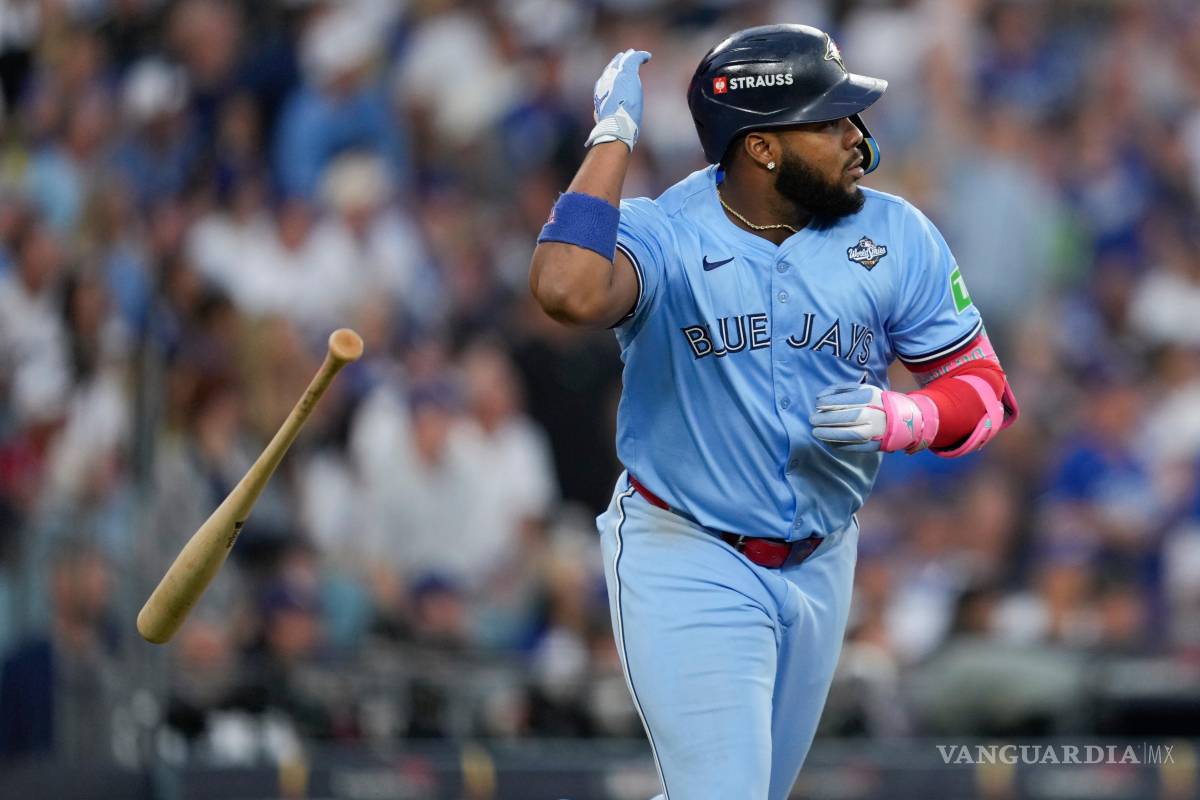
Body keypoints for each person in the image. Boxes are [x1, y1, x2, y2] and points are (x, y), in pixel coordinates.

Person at [528, 24, 1019, 800]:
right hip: (689, 547)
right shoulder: (667, 233)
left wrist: (909, 418)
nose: (858, 139)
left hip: (822, 558)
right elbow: (564, 289)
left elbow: (986, 392)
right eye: (831, 122)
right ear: (762, 148)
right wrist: (613, 138)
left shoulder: (897, 235)